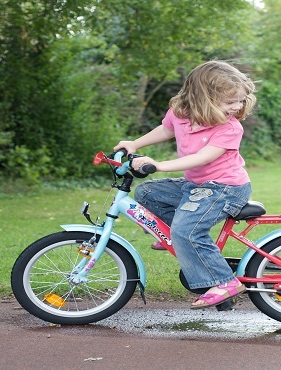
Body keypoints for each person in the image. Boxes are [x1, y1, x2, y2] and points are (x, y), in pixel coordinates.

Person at [114, 60, 256, 309]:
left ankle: (224, 282)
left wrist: (158, 165)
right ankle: (177, 238)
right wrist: (135, 144)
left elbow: (201, 158)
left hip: (226, 188)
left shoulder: (230, 128)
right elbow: (165, 130)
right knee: (147, 193)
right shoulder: (182, 114)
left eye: (241, 100)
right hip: (198, 185)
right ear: (204, 98)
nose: (237, 107)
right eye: (230, 102)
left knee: (187, 231)